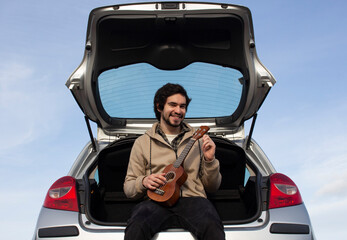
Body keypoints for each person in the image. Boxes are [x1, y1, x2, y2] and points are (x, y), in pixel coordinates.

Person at [123, 83, 225, 240]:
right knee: (136, 226)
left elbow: (212, 187)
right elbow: (129, 188)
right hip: (156, 201)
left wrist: (210, 160)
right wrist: (144, 181)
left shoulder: (198, 140)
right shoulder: (142, 143)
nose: (178, 110)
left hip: (194, 200)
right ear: (159, 107)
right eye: (173, 105)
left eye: (182, 106)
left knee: (212, 225)